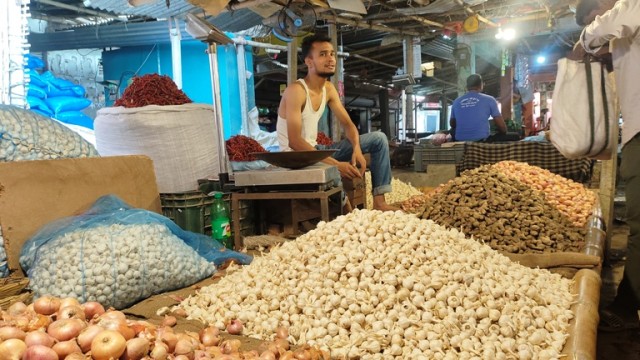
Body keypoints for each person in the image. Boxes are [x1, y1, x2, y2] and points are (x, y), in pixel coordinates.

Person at [570, 0, 640, 332]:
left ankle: (628, 306)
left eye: (592, 16)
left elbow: (617, 20)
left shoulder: (628, 7)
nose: (595, 23)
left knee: (639, 224)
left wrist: (585, 41)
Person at [276, 33, 398, 211]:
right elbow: (294, 141)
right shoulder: (296, 91)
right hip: (296, 157)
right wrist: (336, 164)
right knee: (335, 171)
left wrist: (356, 147)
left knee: (379, 139)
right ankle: (347, 213)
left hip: (316, 150)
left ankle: (379, 202)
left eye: (332, 54)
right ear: (309, 61)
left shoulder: (328, 88)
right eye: (323, 54)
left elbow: (348, 125)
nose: (331, 59)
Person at [449, 74, 508, 142]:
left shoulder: (456, 101)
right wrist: (504, 132)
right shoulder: (489, 99)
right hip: (481, 141)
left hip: (460, 140)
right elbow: (502, 127)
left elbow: (452, 124)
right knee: (506, 135)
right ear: (481, 85)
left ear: (467, 86)